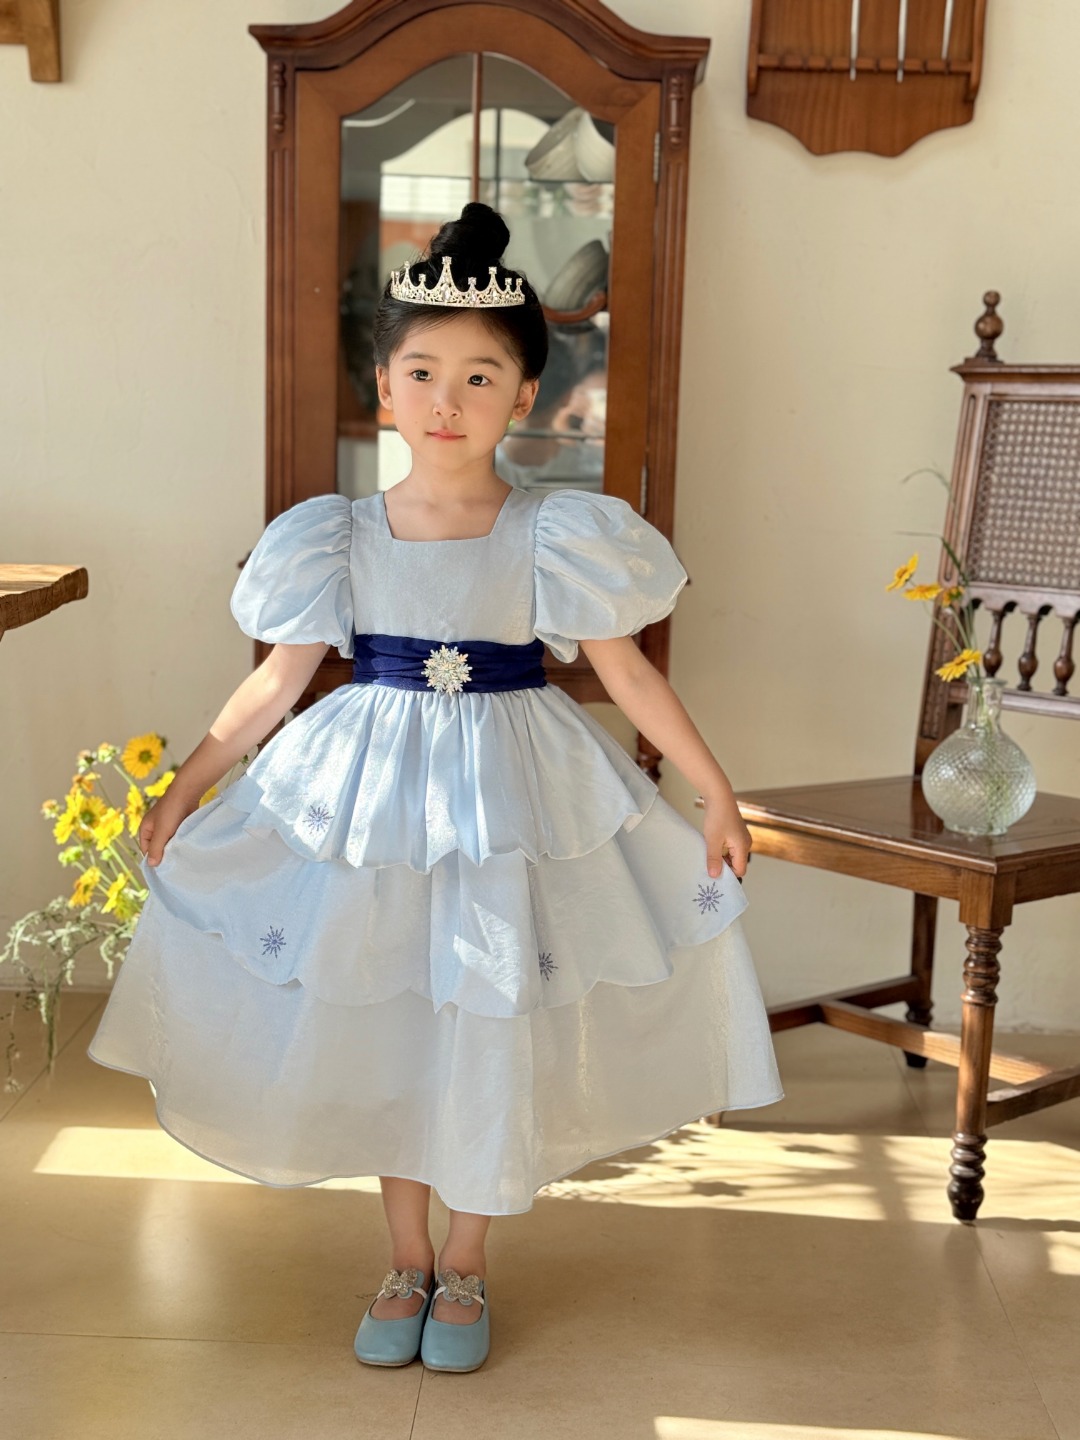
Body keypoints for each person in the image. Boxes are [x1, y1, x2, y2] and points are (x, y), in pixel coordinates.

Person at [86, 202, 783, 1375]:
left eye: (479, 377)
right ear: (384, 388)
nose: (447, 400)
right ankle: (404, 1256)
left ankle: (467, 1261)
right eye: (422, 373)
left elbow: (626, 674)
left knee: (485, 1018)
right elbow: (275, 683)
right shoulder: (337, 534)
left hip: (509, 804)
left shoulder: (553, 533)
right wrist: (190, 784)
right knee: (399, 1022)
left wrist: (714, 790)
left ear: (525, 397)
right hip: (373, 809)